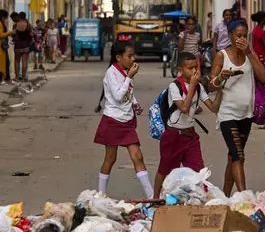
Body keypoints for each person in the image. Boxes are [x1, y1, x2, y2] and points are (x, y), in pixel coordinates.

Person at [153, 52, 224, 198]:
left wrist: (222, 88)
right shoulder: (175, 86)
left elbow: (213, 108)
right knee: (165, 170)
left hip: (190, 136)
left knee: (198, 172)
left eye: (195, 68)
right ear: (180, 69)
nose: (193, 71)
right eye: (189, 68)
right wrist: (192, 85)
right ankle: (155, 199)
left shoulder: (198, 87)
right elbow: (184, 108)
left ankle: (199, 199)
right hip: (173, 135)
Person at [210, 18, 265, 195]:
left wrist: (250, 53)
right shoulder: (222, 56)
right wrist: (222, 77)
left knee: (233, 156)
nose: (241, 39)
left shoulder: (250, 55)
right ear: (230, 36)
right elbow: (211, 85)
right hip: (228, 114)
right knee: (239, 157)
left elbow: (264, 77)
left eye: (244, 36)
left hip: (246, 114)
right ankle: (245, 195)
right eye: (238, 36)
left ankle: (226, 196)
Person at [94, 41, 153, 198]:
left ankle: (151, 195)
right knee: (110, 158)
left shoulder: (125, 72)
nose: (133, 59)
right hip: (113, 120)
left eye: (133, 55)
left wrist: (135, 103)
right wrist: (129, 77)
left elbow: (128, 94)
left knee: (137, 156)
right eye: (129, 56)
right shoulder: (112, 73)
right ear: (118, 57)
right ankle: (101, 194)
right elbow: (119, 96)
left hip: (126, 120)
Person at [0, 10, 15, 84]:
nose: (6, 19)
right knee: (2, 63)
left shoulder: (1, 23)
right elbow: (0, 35)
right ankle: (2, 79)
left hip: (2, 45)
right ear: (2, 17)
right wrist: (10, 32)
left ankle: (2, 79)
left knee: (4, 62)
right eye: (6, 18)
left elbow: (4, 33)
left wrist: (11, 33)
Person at [13, 12, 33, 82]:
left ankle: (17, 77)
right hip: (25, 45)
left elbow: (13, 34)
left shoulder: (16, 25)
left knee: (17, 61)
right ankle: (24, 78)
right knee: (24, 62)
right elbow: (31, 35)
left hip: (17, 45)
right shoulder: (28, 25)